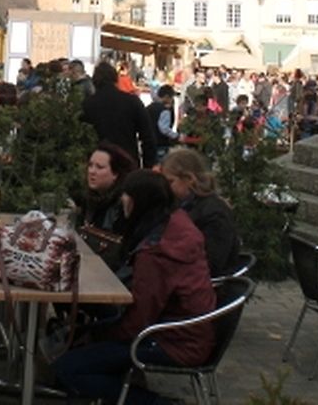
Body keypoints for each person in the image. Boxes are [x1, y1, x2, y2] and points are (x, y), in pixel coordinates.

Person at [53, 169, 216, 405]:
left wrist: (97, 334)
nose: (122, 200)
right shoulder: (176, 222)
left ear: (139, 201)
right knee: (83, 337)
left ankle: (156, 403)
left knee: (67, 369)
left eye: (126, 195)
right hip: (188, 333)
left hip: (169, 341)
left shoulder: (156, 251)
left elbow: (139, 319)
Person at [160, 148, 242, 278]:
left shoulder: (214, 213)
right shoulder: (185, 206)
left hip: (201, 283)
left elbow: (212, 262)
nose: (166, 188)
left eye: (170, 182)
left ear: (189, 179)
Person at [81, 60, 156, 168]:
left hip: (98, 163)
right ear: (116, 80)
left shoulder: (87, 104)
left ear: (94, 82)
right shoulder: (132, 101)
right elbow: (147, 137)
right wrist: (147, 166)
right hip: (128, 161)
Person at [146, 85, 178, 165]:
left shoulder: (148, 107)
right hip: (161, 143)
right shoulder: (165, 111)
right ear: (167, 97)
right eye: (171, 98)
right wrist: (176, 136)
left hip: (148, 143)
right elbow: (164, 129)